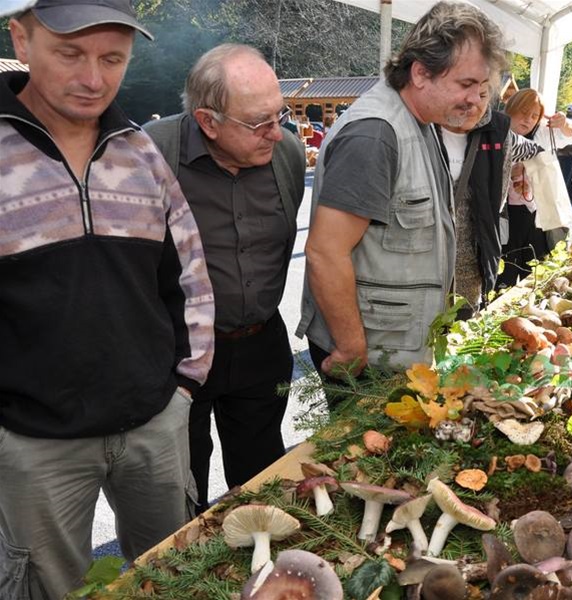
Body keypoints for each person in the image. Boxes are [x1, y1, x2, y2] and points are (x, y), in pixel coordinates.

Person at [0, 2, 216, 598]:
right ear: (22, 40)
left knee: (177, 574)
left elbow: (190, 272)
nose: (93, 78)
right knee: (49, 588)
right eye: (69, 53)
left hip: (153, 422)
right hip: (33, 439)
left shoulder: (139, 151)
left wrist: (185, 388)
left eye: (112, 58)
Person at [297, 1, 506, 379]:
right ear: (421, 72)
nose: (477, 100)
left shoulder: (421, 120)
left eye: (483, 88)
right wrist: (350, 347)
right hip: (370, 358)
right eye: (466, 84)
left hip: (397, 349)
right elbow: (326, 252)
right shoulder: (376, 134)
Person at [144, 44, 307, 514]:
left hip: (260, 346)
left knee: (262, 484)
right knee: (182, 490)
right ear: (208, 121)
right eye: (260, 123)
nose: (277, 133)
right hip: (178, 351)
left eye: (280, 114)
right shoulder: (153, 152)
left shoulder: (287, 155)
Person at [438, 87, 543, 317]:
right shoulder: (420, 127)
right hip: (418, 277)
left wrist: (565, 128)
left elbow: (536, 149)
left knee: (460, 336)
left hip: (469, 275)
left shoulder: (498, 131)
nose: (472, 99)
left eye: (482, 90)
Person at [496, 88, 572, 289]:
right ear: (510, 109)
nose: (528, 119)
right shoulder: (496, 132)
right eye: (523, 113)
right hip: (504, 217)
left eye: (534, 116)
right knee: (504, 276)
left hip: (538, 216)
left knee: (535, 275)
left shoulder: (543, 132)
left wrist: (566, 123)